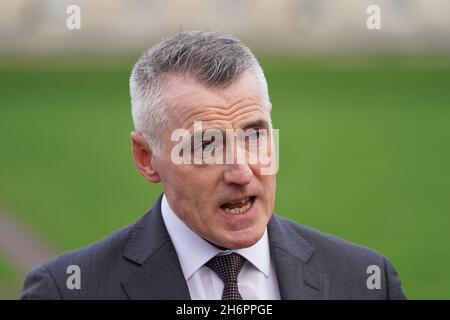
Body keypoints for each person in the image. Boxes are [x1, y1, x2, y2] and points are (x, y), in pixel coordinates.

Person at [20, 31, 406, 300]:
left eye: (254, 135)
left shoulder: (365, 281)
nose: (241, 172)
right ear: (146, 158)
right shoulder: (67, 291)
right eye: (207, 144)